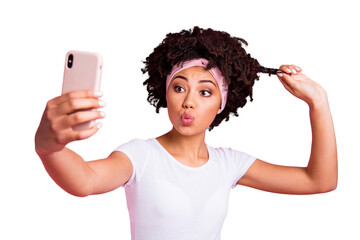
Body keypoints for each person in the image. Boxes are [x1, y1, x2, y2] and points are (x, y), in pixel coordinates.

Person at [35, 26, 338, 240]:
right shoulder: (140, 156)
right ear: (165, 92)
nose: (189, 101)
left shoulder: (229, 165)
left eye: (205, 92)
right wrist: (49, 148)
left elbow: (319, 181)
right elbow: (85, 180)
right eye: (179, 87)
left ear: (222, 102)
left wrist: (319, 102)